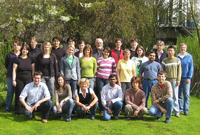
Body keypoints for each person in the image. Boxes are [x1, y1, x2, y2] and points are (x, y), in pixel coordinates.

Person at [12, 44, 35, 116]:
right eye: (23, 49)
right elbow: (14, 70)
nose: (25, 51)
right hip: (19, 79)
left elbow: (33, 71)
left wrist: (33, 79)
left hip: (29, 79)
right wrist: (13, 80)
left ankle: (28, 109)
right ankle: (17, 111)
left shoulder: (31, 59)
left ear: (28, 51)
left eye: (26, 49)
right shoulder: (17, 59)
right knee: (19, 94)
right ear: (21, 50)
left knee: (29, 95)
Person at [96, 46, 117, 114]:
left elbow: (114, 70)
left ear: (109, 53)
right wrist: (94, 79)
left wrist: (113, 78)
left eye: (107, 52)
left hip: (108, 79)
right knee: (100, 93)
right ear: (103, 52)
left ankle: (108, 107)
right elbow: (96, 70)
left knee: (108, 93)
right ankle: (101, 109)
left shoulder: (112, 60)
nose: (106, 53)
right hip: (100, 78)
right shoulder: (99, 60)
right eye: (105, 52)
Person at [162, 45, 182, 118]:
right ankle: (165, 110)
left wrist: (178, 80)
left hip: (174, 80)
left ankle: (176, 111)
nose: (170, 52)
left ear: (174, 51)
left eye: (171, 50)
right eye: (169, 50)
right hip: (166, 81)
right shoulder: (164, 61)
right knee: (165, 96)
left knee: (175, 96)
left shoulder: (177, 60)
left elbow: (179, 71)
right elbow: (162, 71)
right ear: (167, 51)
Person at [176, 43, 193, 116]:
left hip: (186, 78)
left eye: (184, 48)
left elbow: (191, 68)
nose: (183, 49)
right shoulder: (177, 57)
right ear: (180, 48)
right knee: (179, 94)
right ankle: (180, 108)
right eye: (181, 48)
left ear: (186, 48)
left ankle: (186, 109)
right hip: (179, 78)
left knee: (186, 94)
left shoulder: (189, 56)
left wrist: (189, 77)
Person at [5, 40, 22, 112]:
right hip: (10, 76)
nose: (16, 47)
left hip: (20, 76)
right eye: (15, 45)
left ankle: (17, 107)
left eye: (17, 45)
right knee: (10, 92)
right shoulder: (9, 54)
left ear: (20, 46)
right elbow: (6, 64)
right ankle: (7, 107)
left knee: (19, 92)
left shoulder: (22, 54)